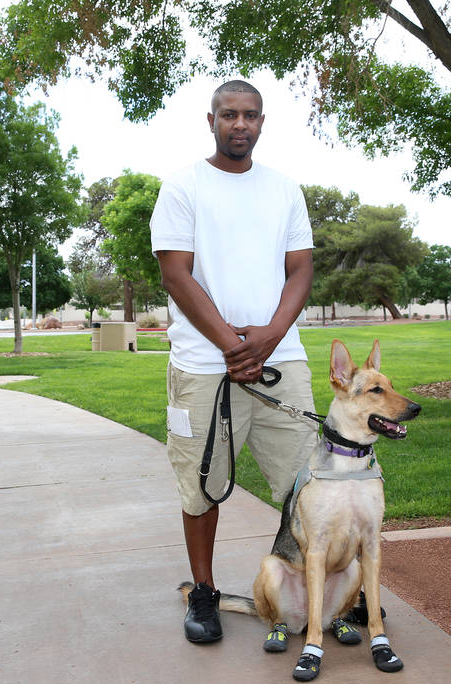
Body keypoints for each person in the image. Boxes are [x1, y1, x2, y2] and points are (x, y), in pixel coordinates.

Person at [150, 79, 318, 643]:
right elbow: (176, 272)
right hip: (203, 366)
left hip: (281, 360)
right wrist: (230, 344)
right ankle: (204, 593)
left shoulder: (284, 190)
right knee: (201, 489)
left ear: (262, 122)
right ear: (211, 120)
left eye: (249, 116)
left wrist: (269, 337)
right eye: (229, 115)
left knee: (308, 487)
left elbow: (300, 270)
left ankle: (322, 598)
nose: (239, 125)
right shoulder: (183, 187)